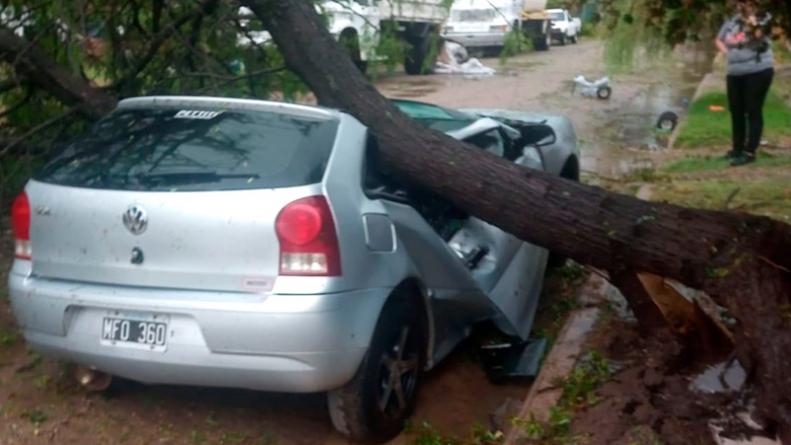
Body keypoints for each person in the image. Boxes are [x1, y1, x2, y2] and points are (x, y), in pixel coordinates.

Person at [715, 0, 774, 166]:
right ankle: (737, 148)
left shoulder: (764, 18)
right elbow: (719, 39)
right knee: (736, 111)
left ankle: (750, 152)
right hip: (735, 73)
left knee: (753, 110)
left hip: (758, 71)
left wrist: (751, 22)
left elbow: (758, 34)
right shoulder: (732, 20)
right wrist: (728, 53)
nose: (740, 4)